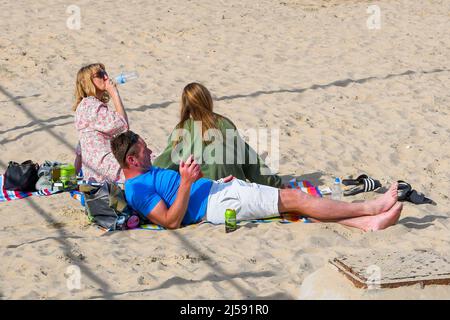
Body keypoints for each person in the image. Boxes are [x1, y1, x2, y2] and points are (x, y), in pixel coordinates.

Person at [111, 131, 403, 232]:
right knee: (296, 199)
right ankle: (371, 207)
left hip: (218, 191)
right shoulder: (137, 189)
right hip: (219, 204)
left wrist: (206, 182)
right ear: (132, 161)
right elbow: (171, 221)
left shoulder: (145, 174)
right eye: (144, 151)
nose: (150, 152)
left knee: (295, 206)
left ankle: (366, 224)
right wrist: (187, 183)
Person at [153, 82, 282, 187]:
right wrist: (277, 185)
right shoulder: (225, 123)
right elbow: (252, 164)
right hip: (237, 190)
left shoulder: (182, 129)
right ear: (208, 101)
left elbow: (162, 165)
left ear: (185, 106)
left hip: (205, 195)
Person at [73, 63, 129, 182]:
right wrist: (114, 93)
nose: (106, 77)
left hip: (94, 172)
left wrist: (73, 175)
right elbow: (123, 126)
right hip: (106, 168)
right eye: (99, 74)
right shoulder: (92, 106)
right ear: (87, 82)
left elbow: (80, 150)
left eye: (105, 72)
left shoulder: (84, 105)